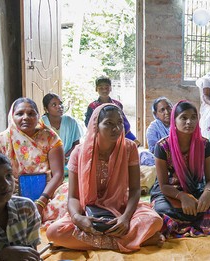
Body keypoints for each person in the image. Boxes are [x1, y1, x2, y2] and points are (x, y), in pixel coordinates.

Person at [46, 104, 164, 251]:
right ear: (96, 125)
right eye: (108, 123)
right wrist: (78, 218)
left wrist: (126, 218)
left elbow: (135, 190)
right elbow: (74, 197)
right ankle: (135, 240)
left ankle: (100, 241)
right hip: (87, 211)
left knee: (155, 221)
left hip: (121, 208)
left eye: (119, 123)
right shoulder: (79, 152)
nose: (116, 128)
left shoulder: (129, 148)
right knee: (54, 232)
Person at [150, 101, 210, 238]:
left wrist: (207, 194)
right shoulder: (162, 147)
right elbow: (164, 186)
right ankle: (202, 220)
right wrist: (183, 197)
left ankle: (187, 220)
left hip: (195, 189)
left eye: (193, 117)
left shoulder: (204, 145)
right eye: (184, 117)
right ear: (174, 120)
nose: (189, 122)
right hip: (170, 194)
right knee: (161, 210)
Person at [0, 98, 64, 222]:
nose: (26, 117)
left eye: (31, 113)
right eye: (19, 114)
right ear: (12, 116)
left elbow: (58, 175)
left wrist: (41, 201)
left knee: (69, 196)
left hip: (48, 193)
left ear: (38, 116)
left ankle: (33, 216)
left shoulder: (50, 137)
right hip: (12, 192)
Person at [0, 151, 41, 261]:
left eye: (8, 175)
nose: (6, 184)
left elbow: (32, 254)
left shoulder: (26, 208)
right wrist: (1, 258)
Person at [84, 76, 139, 144]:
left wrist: (128, 136)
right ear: (96, 89)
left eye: (107, 87)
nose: (104, 90)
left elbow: (123, 121)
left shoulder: (117, 104)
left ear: (110, 88)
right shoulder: (92, 106)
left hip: (117, 134)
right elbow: (89, 124)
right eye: (101, 88)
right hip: (100, 136)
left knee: (135, 144)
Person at [42, 93, 83, 165]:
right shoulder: (41, 123)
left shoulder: (71, 122)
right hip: (45, 162)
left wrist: (66, 157)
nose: (59, 107)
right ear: (46, 109)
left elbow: (76, 145)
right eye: (54, 105)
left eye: (60, 103)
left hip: (68, 161)